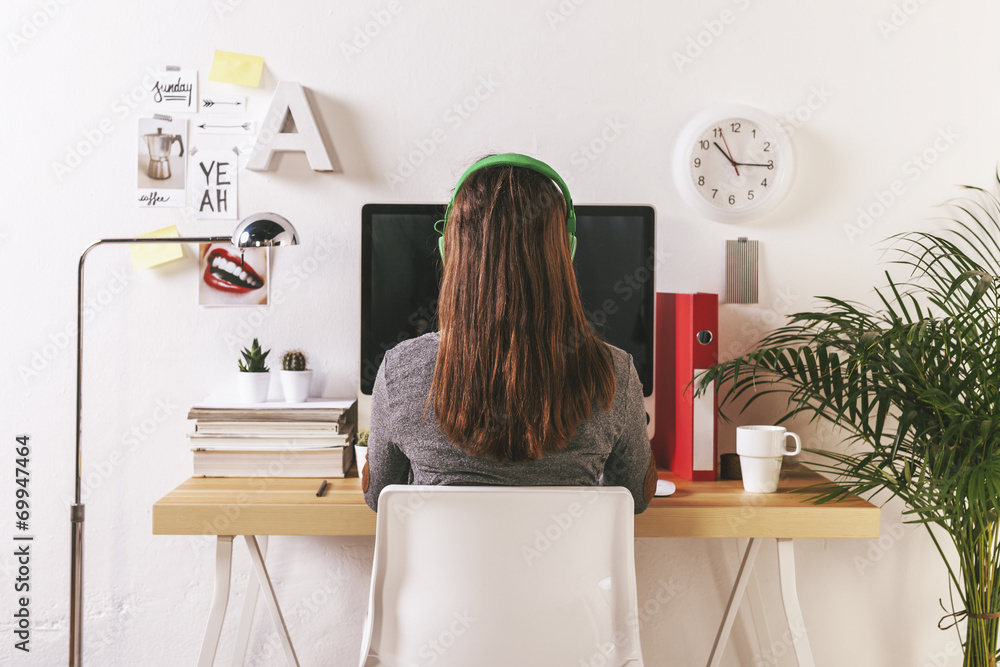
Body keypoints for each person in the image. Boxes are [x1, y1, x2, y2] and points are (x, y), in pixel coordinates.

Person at [362, 154, 656, 513]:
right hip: (568, 571)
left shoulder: (399, 370)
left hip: (445, 572)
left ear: (448, 248)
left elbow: (378, 497)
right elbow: (637, 498)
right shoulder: (615, 372)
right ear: (567, 250)